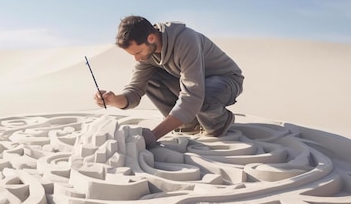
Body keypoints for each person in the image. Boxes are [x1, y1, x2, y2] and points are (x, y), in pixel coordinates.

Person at [94, 15, 244, 147]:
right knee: (151, 77)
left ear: (151, 38)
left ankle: (220, 122)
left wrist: (154, 135)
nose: (137, 58)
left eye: (138, 52)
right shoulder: (146, 55)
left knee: (203, 97)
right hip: (192, 84)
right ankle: (187, 124)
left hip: (225, 81)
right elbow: (135, 90)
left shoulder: (186, 40)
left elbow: (193, 95)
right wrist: (114, 100)